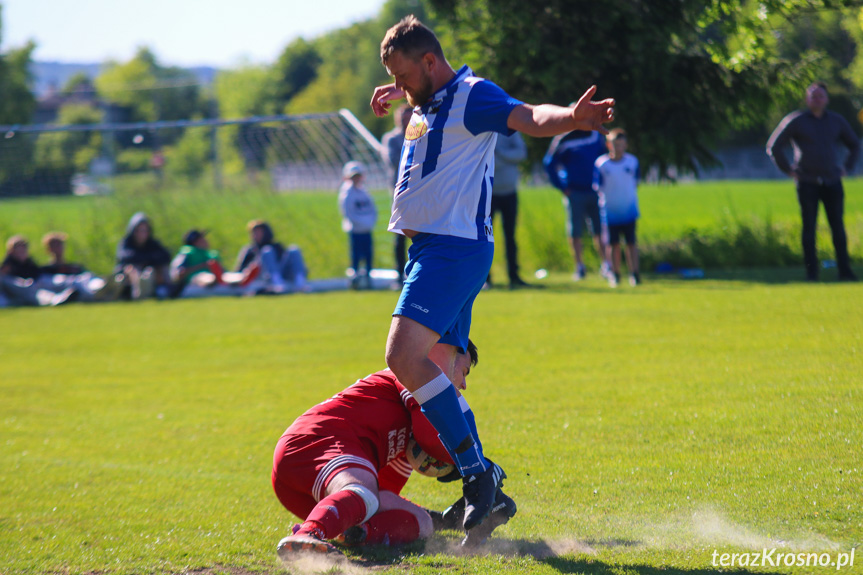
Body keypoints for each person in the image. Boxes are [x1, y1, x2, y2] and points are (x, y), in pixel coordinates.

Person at [370, 15, 614, 534]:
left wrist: (571, 116)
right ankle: (487, 487)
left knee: (402, 356)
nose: (398, 85)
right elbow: (422, 126)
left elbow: (527, 116)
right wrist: (399, 93)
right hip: (433, 249)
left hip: (452, 249)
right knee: (436, 366)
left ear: (430, 62)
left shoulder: (473, 94)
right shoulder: (425, 100)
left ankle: (479, 477)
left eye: (403, 74)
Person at [273, 340, 516, 558]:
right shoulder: (413, 375)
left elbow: (383, 496)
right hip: (315, 440)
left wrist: (447, 520)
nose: (463, 385)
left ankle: (355, 534)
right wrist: (479, 472)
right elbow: (430, 438)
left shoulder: (406, 433)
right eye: (463, 372)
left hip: (302, 487)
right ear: (446, 353)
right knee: (362, 492)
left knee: (420, 524)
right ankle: (307, 534)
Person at [766, 82, 860, 282]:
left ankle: (845, 271)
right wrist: (788, 169)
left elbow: (854, 145)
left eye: (820, 96)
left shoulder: (836, 121)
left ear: (827, 99)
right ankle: (812, 273)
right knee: (809, 228)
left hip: (832, 181)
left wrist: (847, 167)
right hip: (807, 182)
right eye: (813, 96)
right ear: (807, 99)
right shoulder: (796, 120)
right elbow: (774, 146)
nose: (817, 99)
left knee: (838, 227)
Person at [543, 129, 610, 281]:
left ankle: (606, 265)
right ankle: (579, 267)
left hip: (596, 191)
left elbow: (605, 158)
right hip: (574, 192)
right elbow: (549, 163)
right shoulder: (563, 138)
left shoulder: (596, 134)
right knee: (576, 231)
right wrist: (562, 187)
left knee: (600, 230)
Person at [594, 129, 641, 287]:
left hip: (629, 209)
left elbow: (636, 181)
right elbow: (598, 186)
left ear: (626, 145)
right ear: (608, 145)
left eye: (621, 145)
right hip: (610, 211)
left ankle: (634, 273)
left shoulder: (632, 162)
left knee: (631, 243)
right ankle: (615, 273)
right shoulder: (602, 163)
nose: (618, 148)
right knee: (612, 244)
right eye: (615, 144)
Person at [489, 131, 529, 288]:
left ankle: (514, 276)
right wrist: (506, 159)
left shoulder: (511, 130)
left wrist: (498, 153)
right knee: (485, 238)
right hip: (488, 194)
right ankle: (485, 279)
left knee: (511, 237)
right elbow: (484, 159)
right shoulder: (483, 127)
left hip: (510, 192)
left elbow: (521, 153)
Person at [381, 105, 414, 286]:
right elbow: (394, 161)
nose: (406, 121)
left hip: (418, 191)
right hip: (400, 192)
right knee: (399, 234)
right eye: (403, 117)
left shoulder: (421, 134)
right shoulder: (391, 139)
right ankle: (399, 275)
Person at [41, 231, 122, 302]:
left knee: (87, 277)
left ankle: (103, 286)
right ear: (48, 249)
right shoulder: (46, 270)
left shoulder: (74, 267)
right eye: (54, 245)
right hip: (71, 289)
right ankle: (100, 293)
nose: (58, 248)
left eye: (60, 245)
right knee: (72, 282)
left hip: (83, 284)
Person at [235, 220, 308, 294]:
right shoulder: (250, 250)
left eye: (259, 232)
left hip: (282, 275)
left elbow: (282, 263)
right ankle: (277, 284)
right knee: (266, 251)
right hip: (264, 278)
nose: (256, 235)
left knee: (294, 250)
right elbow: (240, 269)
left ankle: (300, 283)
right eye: (254, 232)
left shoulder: (276, 246)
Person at [0, 235, 76, 306]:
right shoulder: (8, 265)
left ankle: (72, 289)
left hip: (35, 285)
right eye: (19, 249)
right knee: (36, 292)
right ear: (11, 251)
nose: (22, 251)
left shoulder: (29, 262)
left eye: (23, 248)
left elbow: (37, 274)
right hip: (24, 290)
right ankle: (55, 299)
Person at [169, 230, 245, 298]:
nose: (205, 240)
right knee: (205, 276)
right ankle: (215, 281)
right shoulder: (187, 253)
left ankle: (238, 281)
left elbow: (223, 271)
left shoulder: (210, 254)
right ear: (194, 242)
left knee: (233, 276)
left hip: (217, 279)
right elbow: (178, 275)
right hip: (194, 281)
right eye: (201, 239)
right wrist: (201, 266)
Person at [338, 161, 378, 289]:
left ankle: (368, 277)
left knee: (368, 255)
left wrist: (369, 222)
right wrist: (361, 223)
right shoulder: (347, 193)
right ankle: (354, 278)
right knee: (355, 256)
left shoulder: (364, 192)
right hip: (355, 230)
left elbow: (372, 210)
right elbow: (348, 212)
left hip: (366, 229)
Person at [115, 212, 173, 300]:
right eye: (139, 230)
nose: (142, 233)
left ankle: (165, 290)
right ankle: (137, 293)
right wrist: (148, 258)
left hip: (151, 272)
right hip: (129, 276)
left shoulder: (153, 243)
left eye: (145, 230)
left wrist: (147, 261)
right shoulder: (126, 242)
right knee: (132, 268)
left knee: (159, 268)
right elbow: (125, 257)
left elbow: (166, 256)